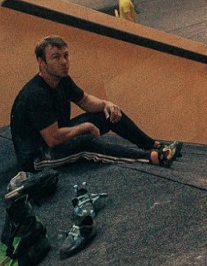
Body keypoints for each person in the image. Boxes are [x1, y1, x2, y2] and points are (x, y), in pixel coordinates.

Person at [10, 36, 181, 173]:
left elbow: (84, 100)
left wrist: (107, 104)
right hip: (39, 155)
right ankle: (152, 157)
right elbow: (53, 139)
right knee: (86, 143)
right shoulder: (36, 95)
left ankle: (154, 145)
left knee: (108, 114)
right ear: (41, 63)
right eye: (56, 57)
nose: (64, 62)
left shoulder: (62, 79)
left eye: (66, 56)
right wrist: (85, 127)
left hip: (56, 136)